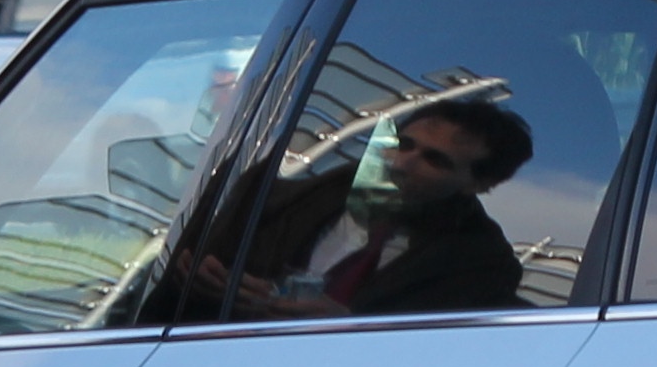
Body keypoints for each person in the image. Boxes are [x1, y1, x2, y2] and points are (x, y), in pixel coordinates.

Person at [203, 93, 532, 322]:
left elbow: (437, 361)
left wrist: (351, 326)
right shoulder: (284, 196)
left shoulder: (481, 268)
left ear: (479, 184)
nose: (402, 163)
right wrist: (204, 277)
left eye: (435, 160)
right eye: (402, 144)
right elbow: (200, 276)